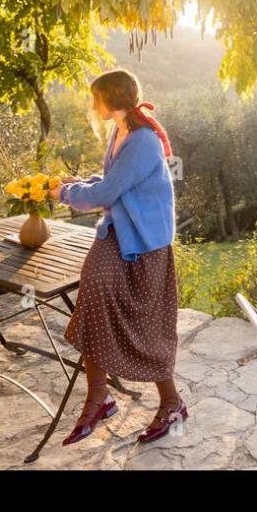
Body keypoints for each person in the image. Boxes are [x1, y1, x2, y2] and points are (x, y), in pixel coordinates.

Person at [51, 68, 186, 446]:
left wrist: (62, 194)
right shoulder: (121, 130)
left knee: (147, 326)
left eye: (96, 97)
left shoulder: (143, 140)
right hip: (116, 233)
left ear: (111, 98)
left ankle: (172, 403)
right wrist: (74, 185)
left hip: (145, 242)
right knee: (92, 296)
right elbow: (110, 182)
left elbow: (110, 191)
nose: (93, 105)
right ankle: (99, 397)